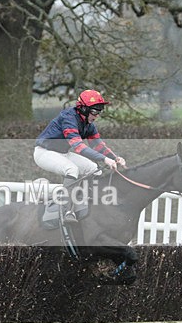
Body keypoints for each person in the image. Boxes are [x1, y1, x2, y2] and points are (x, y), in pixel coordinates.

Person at [34, 89, 126, 223]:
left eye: (99, 111)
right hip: (44, 153)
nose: (97, 115)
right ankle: (65, 210)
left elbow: (98, 145)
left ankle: (86, 203)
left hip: (63, 153)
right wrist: (104, 159)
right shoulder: (68, 118)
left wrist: (115, 157)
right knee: (72, 170)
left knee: (95, 169)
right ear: (83, 109)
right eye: (94, 111)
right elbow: (78, 147)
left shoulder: (89, 124)